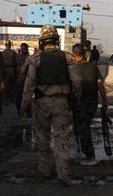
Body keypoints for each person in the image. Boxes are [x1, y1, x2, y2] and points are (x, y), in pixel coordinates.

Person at [20, 25, 80, 187]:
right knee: (62, 139)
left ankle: (44, 171)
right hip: (62, 103)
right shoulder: (67, 58)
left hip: (42, 104)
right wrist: (75, 98)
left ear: (41, 42)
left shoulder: (36, 59)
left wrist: (24, 104)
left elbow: (29, 85)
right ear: (56, 41)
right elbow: (77, 82)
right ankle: (63, 174)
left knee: (42, 138)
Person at [72, 44, 108, 166]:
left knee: (83, 128)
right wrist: (105, 101)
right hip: (92, 102)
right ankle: (85, 152)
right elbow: (100, 85)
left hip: (79, 103)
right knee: (83, 127)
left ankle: (89, 156)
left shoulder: (73, 69)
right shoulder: (93, 67)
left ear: (74, 55)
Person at [2, 40, 18, 105]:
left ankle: (5, 100)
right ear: (10, 45)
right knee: (12, 84)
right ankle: (12, 98)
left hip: (4, 69)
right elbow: (17, 62)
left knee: (5, 85)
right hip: (12, 69)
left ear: (5, 45)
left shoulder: (2, 53)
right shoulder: (13, 53)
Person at [17, 43, 31, 116]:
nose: (22, 50)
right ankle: (20, 111)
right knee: (19, 97)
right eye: (21, 48)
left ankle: (27, 112)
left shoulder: (29, 58)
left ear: (27, 49)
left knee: (26, 97)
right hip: (20, 80)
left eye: (24, 48)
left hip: (27, 79)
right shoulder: (19, 57)